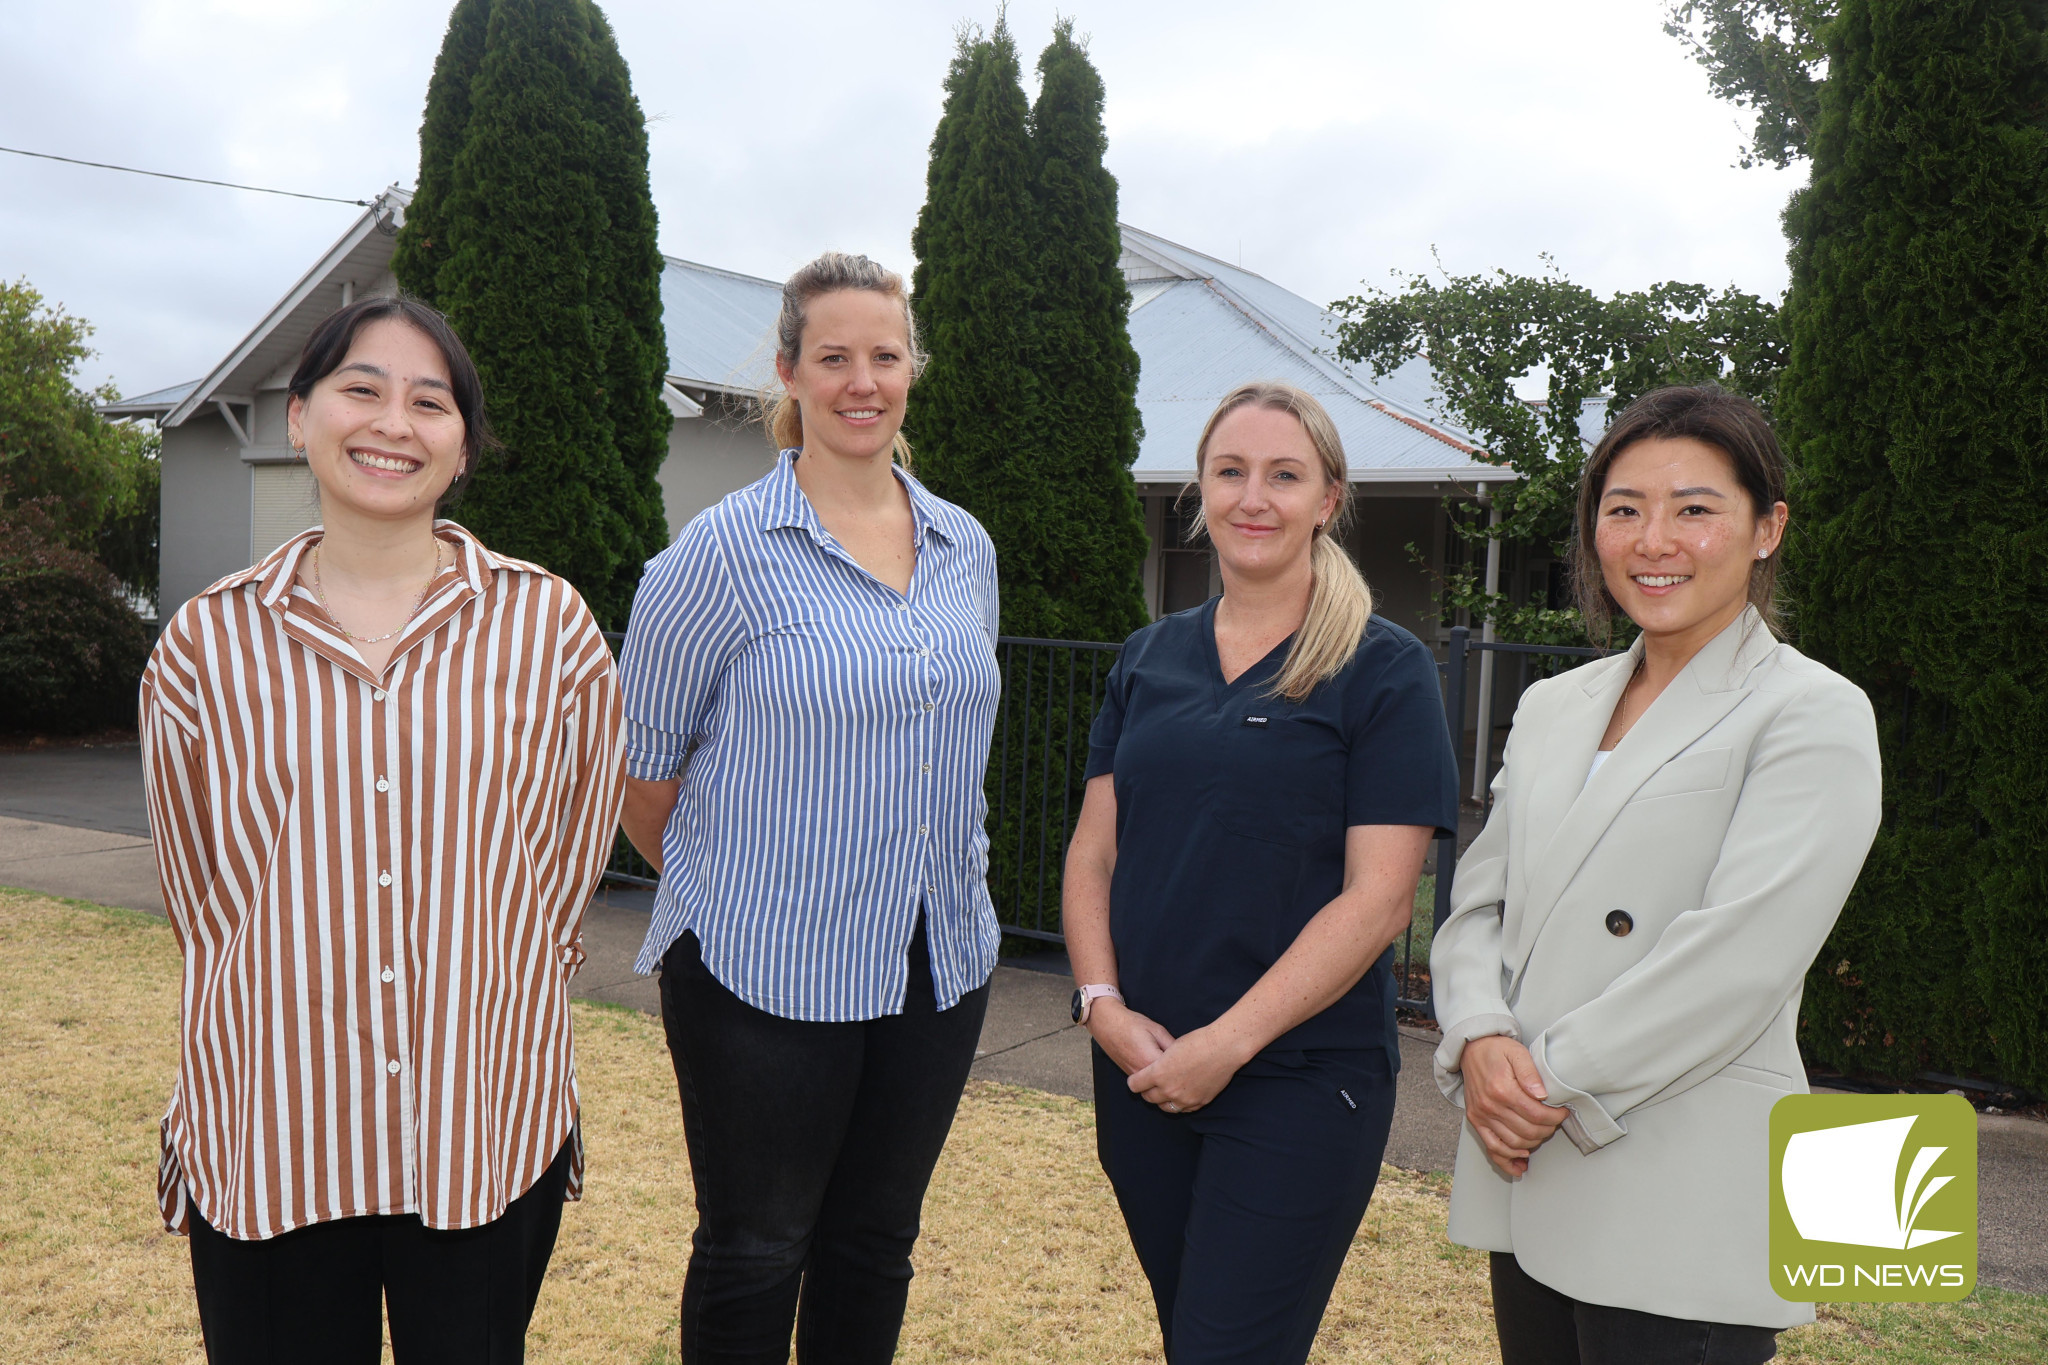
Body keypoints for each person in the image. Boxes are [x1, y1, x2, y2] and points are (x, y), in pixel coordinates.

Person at [139, 294, 625, 1364]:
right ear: (301, 416)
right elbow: (202, 894)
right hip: (274, 1128)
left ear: (461, 448)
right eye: (361, 389)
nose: (392, 424)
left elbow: (565, 861)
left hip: (481, 1122)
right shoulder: (203, 649)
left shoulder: (550, 630)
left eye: (429, 401)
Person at [1431, 384, 1883, 1364]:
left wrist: (1537, 1082)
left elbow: (1738, 956)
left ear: (1765, 528)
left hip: (1680, 1179)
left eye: (1693, 508)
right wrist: (1474, 1036)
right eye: (1623, 507)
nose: (1651, 539)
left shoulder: (1812, 713)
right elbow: (1478, 903)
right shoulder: (1555, 705)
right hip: (1533, 1170)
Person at [616, 251, 1000, 1365]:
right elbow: (644, 778)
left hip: (936, 966)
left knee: (873, 1244)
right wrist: (747, 893)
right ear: (789, 372)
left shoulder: (963, 547)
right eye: (831, 357)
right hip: (759, 976)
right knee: (755, 1250)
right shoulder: (717, 557)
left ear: (909, 370)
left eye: (883, 355)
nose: (860, 381)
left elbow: (952, 749)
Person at [1062, 380, 1460, 1363]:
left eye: (1283, 475)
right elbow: (1092, 852)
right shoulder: (1148, 659)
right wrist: (1101, 1005)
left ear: (1327, 499)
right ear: (1198, 491)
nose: (1253, 497)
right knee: (1192, 1337)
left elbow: (1378, 900)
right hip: (1142, 1068)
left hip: (1295, 1077)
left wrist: (1226, 1044)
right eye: (1229, 472)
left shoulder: (1383, 669)